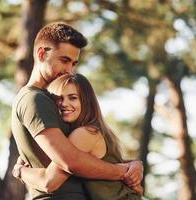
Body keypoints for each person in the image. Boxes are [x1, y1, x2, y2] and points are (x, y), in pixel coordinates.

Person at [11, 22, 143, 199]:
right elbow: (70, 161)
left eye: (73, 63)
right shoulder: (35, 99)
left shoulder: (53, 101)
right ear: (41, 54)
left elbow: (89, 156)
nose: (69, 70)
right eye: (64, 60)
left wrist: (133, 164)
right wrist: (123, 172)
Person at [13, 73, 143, 199]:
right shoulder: (96, 130)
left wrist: (19, 171)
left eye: (73, 97)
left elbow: (49, 182)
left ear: (86, 101)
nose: (64, 103)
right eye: (59, 98)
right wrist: (134, 164)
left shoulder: (85, 133)